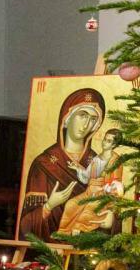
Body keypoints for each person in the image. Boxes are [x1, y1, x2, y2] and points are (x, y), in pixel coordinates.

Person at [19, 87, 109, 242]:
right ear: (67, 118)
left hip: (87, 249)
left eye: (93, 119)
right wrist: (49, 205)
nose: (87, 124)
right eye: (82, 115)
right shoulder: (43, 164)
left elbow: (111, 213)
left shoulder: (99, 162)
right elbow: (26, 227)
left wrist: (110, 217)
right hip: (51, 250)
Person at [60, 127, 124, 234]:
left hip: (104, 197)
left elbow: (117, 186)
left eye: (109, 141)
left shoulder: (116, 162)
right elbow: (86, 177)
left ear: (114, 145)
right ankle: (64, 232)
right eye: (104, 139)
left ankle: (77, 232)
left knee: (88, 209)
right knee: (71, 204)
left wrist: (110, 206)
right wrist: (77, 168)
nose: (104, 142)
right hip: (89, 193)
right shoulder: (96, 159)